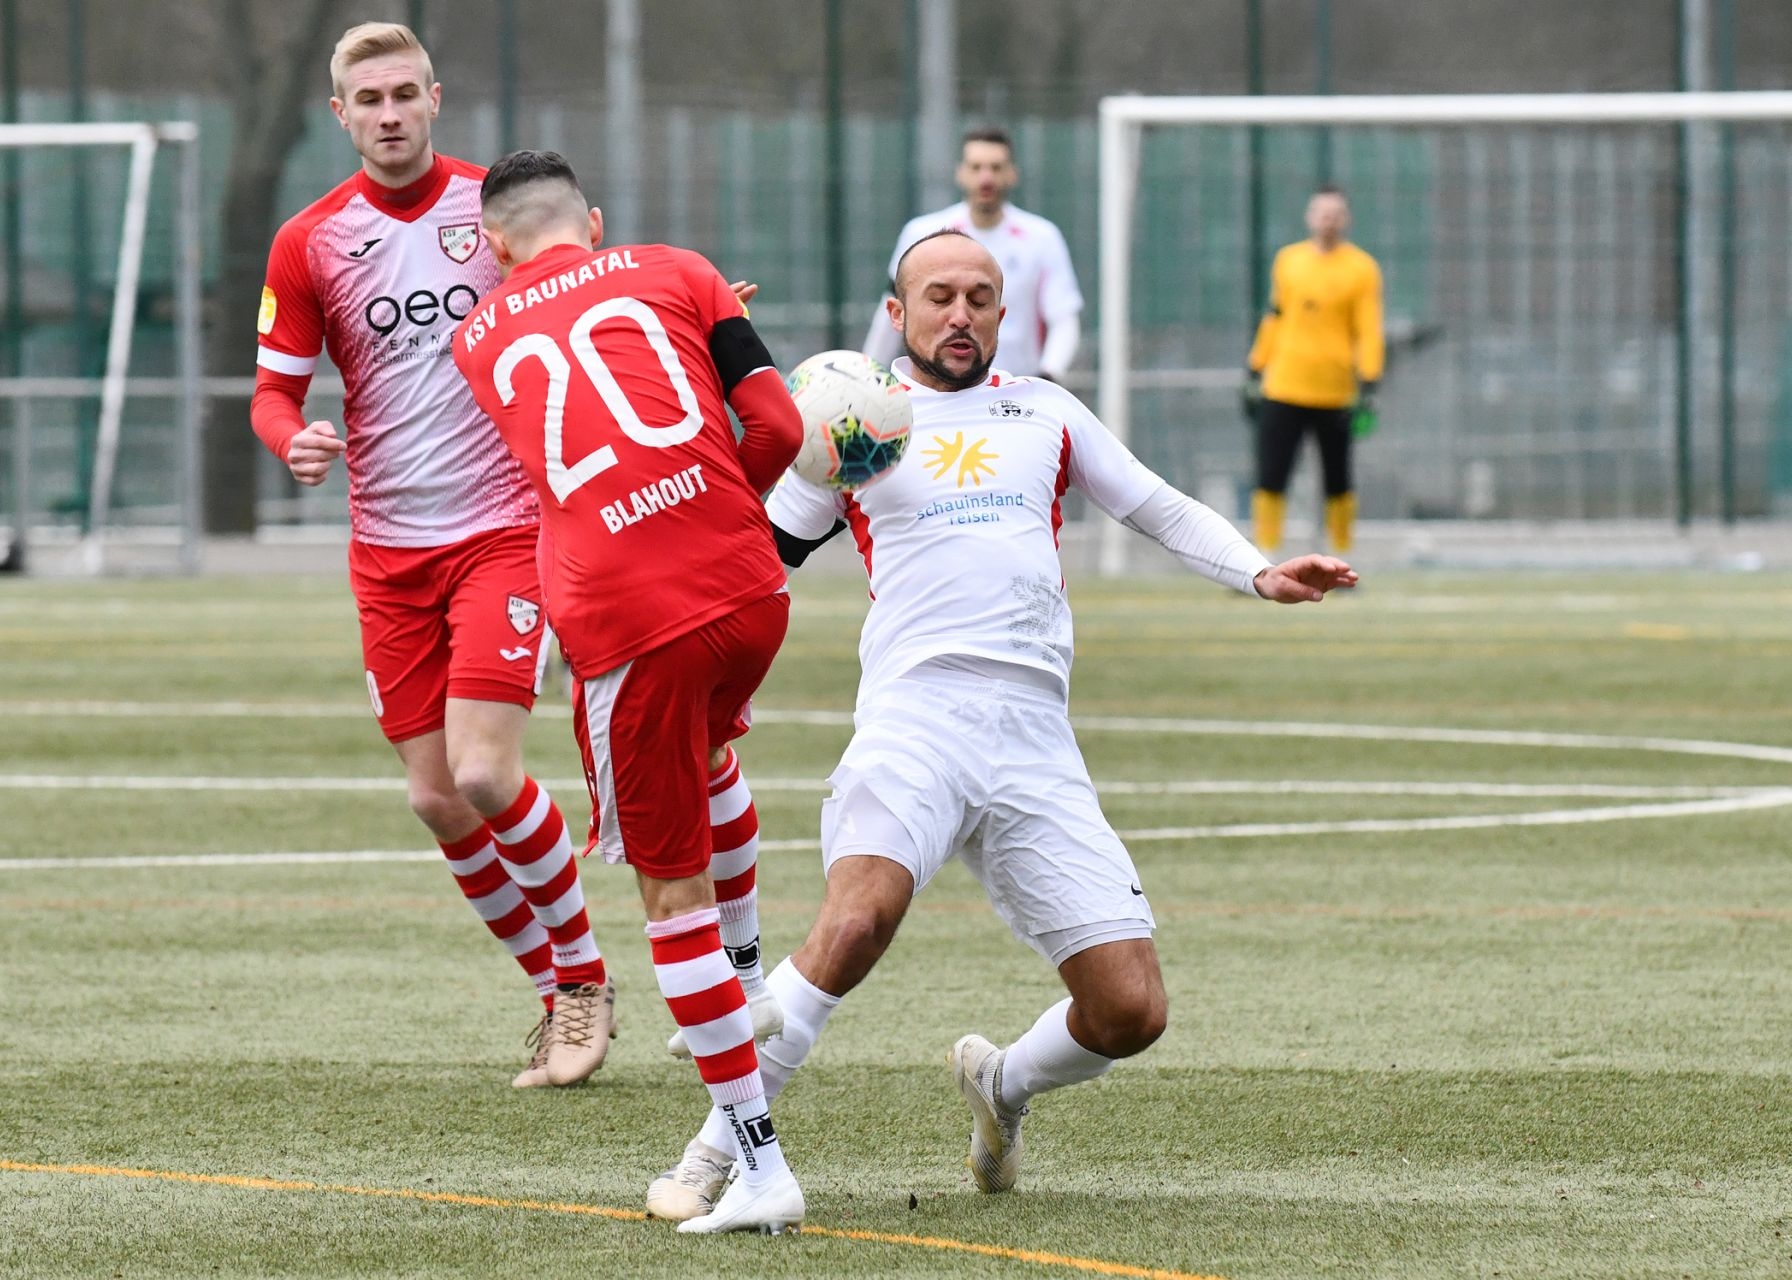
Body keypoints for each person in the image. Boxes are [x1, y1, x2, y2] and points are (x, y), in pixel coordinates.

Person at [652, 229, 1357, 1220]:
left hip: (1034, 732)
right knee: (855, 920)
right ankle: (718, 1148)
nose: (962, 313)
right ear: (896, 314)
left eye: (981, 296)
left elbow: (1156, 505)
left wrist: (1258, 569)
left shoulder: (1046, 410)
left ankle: (1005, 1084)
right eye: (938, 295)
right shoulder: (850, 423)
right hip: (917, 713)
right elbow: (750, 551)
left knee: (1129, 1009)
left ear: (1003, 311)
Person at [451, 150, 808, 1235]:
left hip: (627, 618)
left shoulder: (477, 335)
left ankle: (757, 1161)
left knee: (669, 898)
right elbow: (782, 430)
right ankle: (745, 980)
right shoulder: (681, 268)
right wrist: (716, 509)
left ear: (495, 247)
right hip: (749, 589)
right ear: (594, 223)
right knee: (710, 761)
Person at [249, 22, 612, 1088]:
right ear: (343, 115)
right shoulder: (309, 239)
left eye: (406, 92)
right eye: (371, 99)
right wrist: (293, 438)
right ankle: (554, 992)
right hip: (387, 548)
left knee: (486, 771)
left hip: (503, 529)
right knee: (435, 797)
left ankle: (583, 982)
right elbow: (274, 390)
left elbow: (594, 295)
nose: (391, 113)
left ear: (436, 98)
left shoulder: (493, 211)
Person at [860, 127, 1082, 381]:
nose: (986, 178)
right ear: (961, 174)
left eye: (996, 168)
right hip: (937, 389)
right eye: (976, 167)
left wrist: (1048, 375)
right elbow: (889, 315)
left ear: (1012, 174)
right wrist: (869, 376)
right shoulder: (922, 233)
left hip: (1014, 395)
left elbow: (1064, 318)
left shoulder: (1042, 237)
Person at [1243, 185, 1385, 555]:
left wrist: (1370, 380)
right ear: (1309, 217)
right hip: (1284, 386)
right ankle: (1264, 559)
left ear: (1346, 219)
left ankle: (1341, 562)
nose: (1328, 220)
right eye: (1322, 212)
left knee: (1338, 481)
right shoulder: (1288, 261)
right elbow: (1275, 317)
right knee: (1271, 475)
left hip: (1335, 390)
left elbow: (1368, 329)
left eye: (1335, 213)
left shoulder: (1361, 269)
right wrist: (1256, 367)